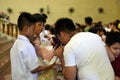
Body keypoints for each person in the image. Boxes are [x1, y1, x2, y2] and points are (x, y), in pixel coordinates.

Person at [10, 12, 55, 80]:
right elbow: (34, 69)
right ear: (26, 29)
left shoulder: (17, 43)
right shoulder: (26, 45)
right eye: (33, 29)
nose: (34, 31)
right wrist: (51, 66)